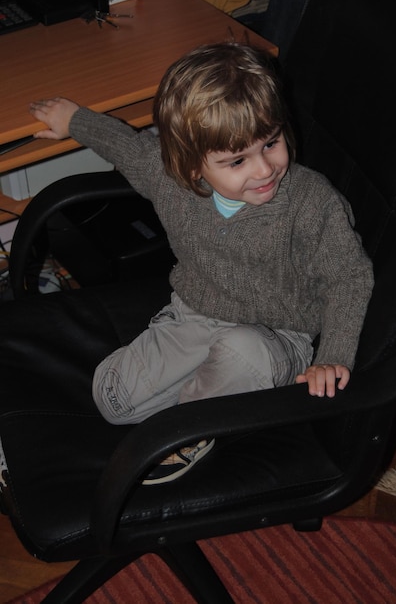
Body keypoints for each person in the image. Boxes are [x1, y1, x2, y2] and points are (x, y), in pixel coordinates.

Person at [29, 42, 374, 484]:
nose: (265, 169)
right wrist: (75, 120)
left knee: (242, 353)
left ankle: (191, 429)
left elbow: (350, 276)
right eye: (237, 161)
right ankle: (207, 389)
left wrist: (333, 356)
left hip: (278, 335)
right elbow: (130, 148)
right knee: (112, 399)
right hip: (194, 315)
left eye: (271, 142)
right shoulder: (171, 180)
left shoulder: (310, 202)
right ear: (192, 167)